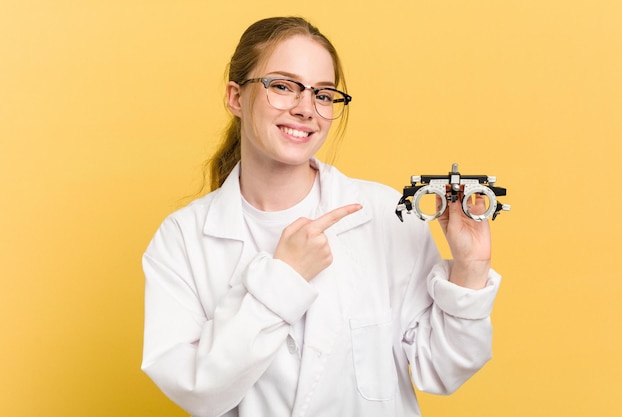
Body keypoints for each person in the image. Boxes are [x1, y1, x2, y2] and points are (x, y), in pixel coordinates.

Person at [141, 16, 501, 417]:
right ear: (235, 98)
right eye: (282, 86)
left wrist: (470, 270)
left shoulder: (386, 216)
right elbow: (196, 392)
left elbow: (443, 371)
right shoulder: (182, 240)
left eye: (324, 95)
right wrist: (283, 281)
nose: (305, 109)